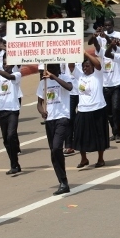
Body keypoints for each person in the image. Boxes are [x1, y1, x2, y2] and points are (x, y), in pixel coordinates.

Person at [37, 64, 73, 195]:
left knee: (57, 147)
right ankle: (63, 182)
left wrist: (54, 77)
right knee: (54, 152)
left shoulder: (65, 77)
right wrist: (42, 112)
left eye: (53, 69)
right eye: (49, 69)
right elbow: (39, 103)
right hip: (49, 120)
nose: (50, 72)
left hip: (62, 117)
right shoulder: (43, 83)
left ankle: (63, 181)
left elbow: (69, 87)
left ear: (58, 69)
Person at [69, 52, 109, 168]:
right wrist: (73, 52)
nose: (85, 68)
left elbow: (98, 64)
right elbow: (71, 66)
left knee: (99, 134)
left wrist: (84, 52)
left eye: (87, 66)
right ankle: (84, 159)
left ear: (92, 67)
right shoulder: (80, 76)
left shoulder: (98, 74)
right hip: (83, 110)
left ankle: (100, 158)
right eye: (83, 67)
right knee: (80, 135)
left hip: (98, 109)